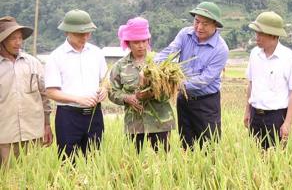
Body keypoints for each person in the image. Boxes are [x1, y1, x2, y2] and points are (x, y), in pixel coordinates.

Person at [155, 1, 229, 150]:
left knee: (209, 146)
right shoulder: (185, 34)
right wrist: (154, 67)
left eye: (205, 24)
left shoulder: (221, 49)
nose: (199, 27)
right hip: (184, 101)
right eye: (196, 21)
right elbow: (170, 52)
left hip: (206, 103)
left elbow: (204, 80)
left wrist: (174, 84)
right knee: (186, 145)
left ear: (215, 25)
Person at [44, 9, 107, 159]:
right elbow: (51, 92)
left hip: (94, 115)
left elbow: (105, 80)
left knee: (95, 160)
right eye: (79, 34)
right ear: (67, 32)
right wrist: (78, 99)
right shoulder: (56, 57)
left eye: (87, 33)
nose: (85, 37)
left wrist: (104, 89)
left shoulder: (97, 53)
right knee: (67, 160)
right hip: (68, 116)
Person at [108, 17, 176, 153]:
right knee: (134, 162)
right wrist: (128, 98)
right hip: (134, 123)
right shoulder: (120, 66)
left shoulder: (160, 63)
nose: (141, 45)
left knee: (163, 162)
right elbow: (112, 92)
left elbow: (170, 90)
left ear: (148, 41)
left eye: (144, 41)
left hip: (160, 122)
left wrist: (152, 93)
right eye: (136, 42)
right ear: (128, 43)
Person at [243, 11, 292, 149]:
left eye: (260, 33)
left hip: (276, 117)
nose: (256, 37)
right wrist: (247, 112)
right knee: (255, 156)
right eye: (256, 33)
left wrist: (287, 123)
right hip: (255, 114)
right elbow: (251, 84)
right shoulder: (254, 54)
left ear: (273, 35)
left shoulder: (289, 57)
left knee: (275, 158)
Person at [0, 16, 52, 166]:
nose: (18, 43)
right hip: (5, 136)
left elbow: (44, 96)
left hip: (33, 133)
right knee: (7, 178)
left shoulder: (33, 63)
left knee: (33, 176)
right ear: (2, 41)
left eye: (20, 38)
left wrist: (47, 124)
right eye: (13, 39)